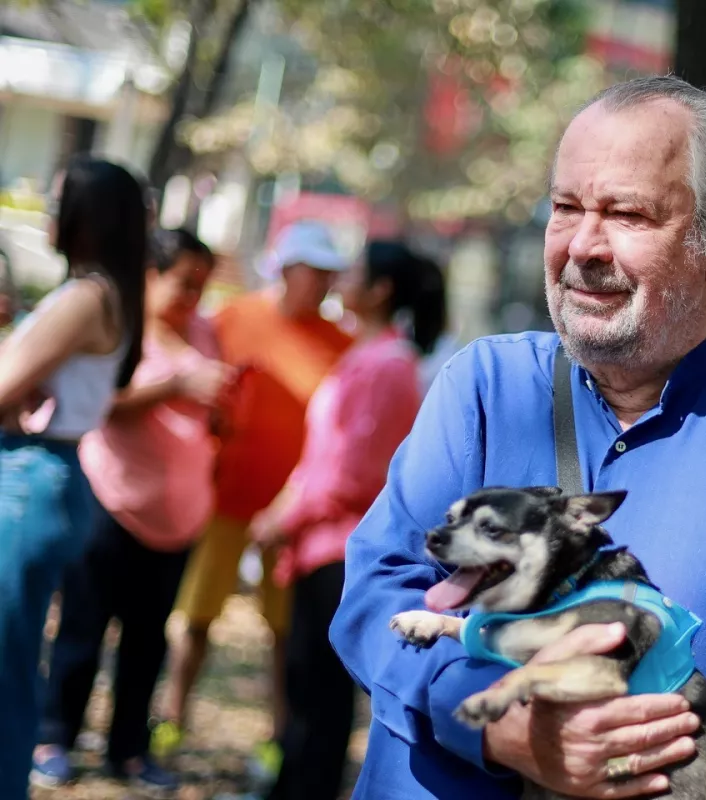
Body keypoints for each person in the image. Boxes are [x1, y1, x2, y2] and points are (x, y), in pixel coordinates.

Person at [330, 75, 706, 800]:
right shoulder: (484, 386)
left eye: (627, 214)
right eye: (566, 207)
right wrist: (500, 728)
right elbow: (376, 597)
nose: (583, 246)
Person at [238, 241, 445, 800]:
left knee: (321, 697)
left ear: (379, 291)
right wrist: (282, 513)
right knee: (305, 686)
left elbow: (352, 473)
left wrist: (282, 520)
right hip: (316, 544)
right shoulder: (368, 356)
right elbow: (321, 460)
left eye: (353, 271)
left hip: (340, 550)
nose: (339, 280)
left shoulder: (387, 365)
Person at [31, 228, 230, 792]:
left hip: (181, 518)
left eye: (202, 285)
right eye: (184, 283)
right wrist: (174, 385)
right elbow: (100, 405)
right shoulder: (120, 330)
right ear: (151, 274)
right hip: (112, 504)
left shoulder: (205, 334)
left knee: (147, 639)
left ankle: (129, 749)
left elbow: (208, 413)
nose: (193, 296)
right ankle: (54, 735)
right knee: (81, 630)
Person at [155, 221, 353, 773]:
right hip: (225, 497)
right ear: (286, 270)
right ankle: (170, 717)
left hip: (293, 516)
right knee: (195, 613)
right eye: (313, 271)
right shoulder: (233, 317)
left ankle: (279, 734)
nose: (322, 283)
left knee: (284, 631)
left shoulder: (344, 344)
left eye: (329, 273)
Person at [0, 156, 146, 799]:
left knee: (5, 667)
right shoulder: (109, 292)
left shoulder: (87, 295)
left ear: (90, 215)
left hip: (29, 479)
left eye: (58, 198)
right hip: (49, 475)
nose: (48, 210)